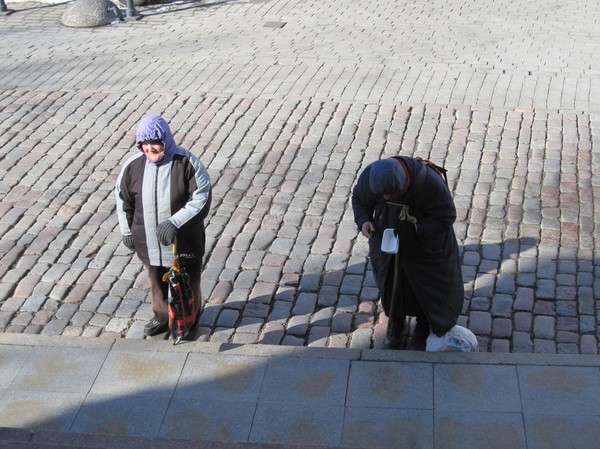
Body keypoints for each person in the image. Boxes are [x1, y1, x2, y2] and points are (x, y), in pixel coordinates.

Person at [352, 156, 465, 351]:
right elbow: (360, 200)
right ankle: (396, 323)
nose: (385, 198)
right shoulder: (370, 177)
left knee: (426, 286)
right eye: (382, 194)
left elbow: (445, 215)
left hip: (424, 243)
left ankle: (424, 324)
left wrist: (416, 231)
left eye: (389, 194)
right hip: (388, 238)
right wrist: (364, 221)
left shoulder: (430, 183)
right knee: (391, 282)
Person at [115, 116, 211, 337]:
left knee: (188, 286)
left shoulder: (187, 163)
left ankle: (189, 321)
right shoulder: (133, 167)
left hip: (183, 244)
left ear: (166, 140)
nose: (150, 148)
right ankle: (162, 317)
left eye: (155, 143)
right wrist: (127, 231)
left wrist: (174, 223)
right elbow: (123, 200)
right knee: (157, 285)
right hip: (149, 243)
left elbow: (201, 199)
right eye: (144, 144)